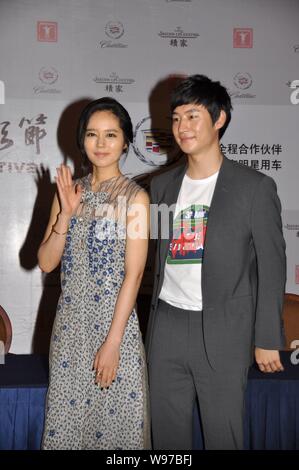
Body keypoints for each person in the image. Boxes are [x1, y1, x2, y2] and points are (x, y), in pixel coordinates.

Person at [146, 74, 286, 450]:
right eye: (176, 118)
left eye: (192, 116)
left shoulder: (254, 187)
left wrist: (267, 338)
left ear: (219, 118)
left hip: (225, 331)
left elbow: (272, 268)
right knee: (167, 437)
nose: (182, 127)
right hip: (167, 328)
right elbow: (160, 256)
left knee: (224, 435)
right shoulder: (161, 186)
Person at [38, 97, 150, 450]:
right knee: (66, 430)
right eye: (92, 134)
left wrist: (113, 343)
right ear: (81, 140)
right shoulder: (69, 192)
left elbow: (133, 275)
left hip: (114, 330)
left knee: (117, 431)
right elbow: (45, 262)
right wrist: (65, 216)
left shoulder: (136, 198)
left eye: (111, 135)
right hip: (70, 329)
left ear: (126, 142)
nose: (100, 144)